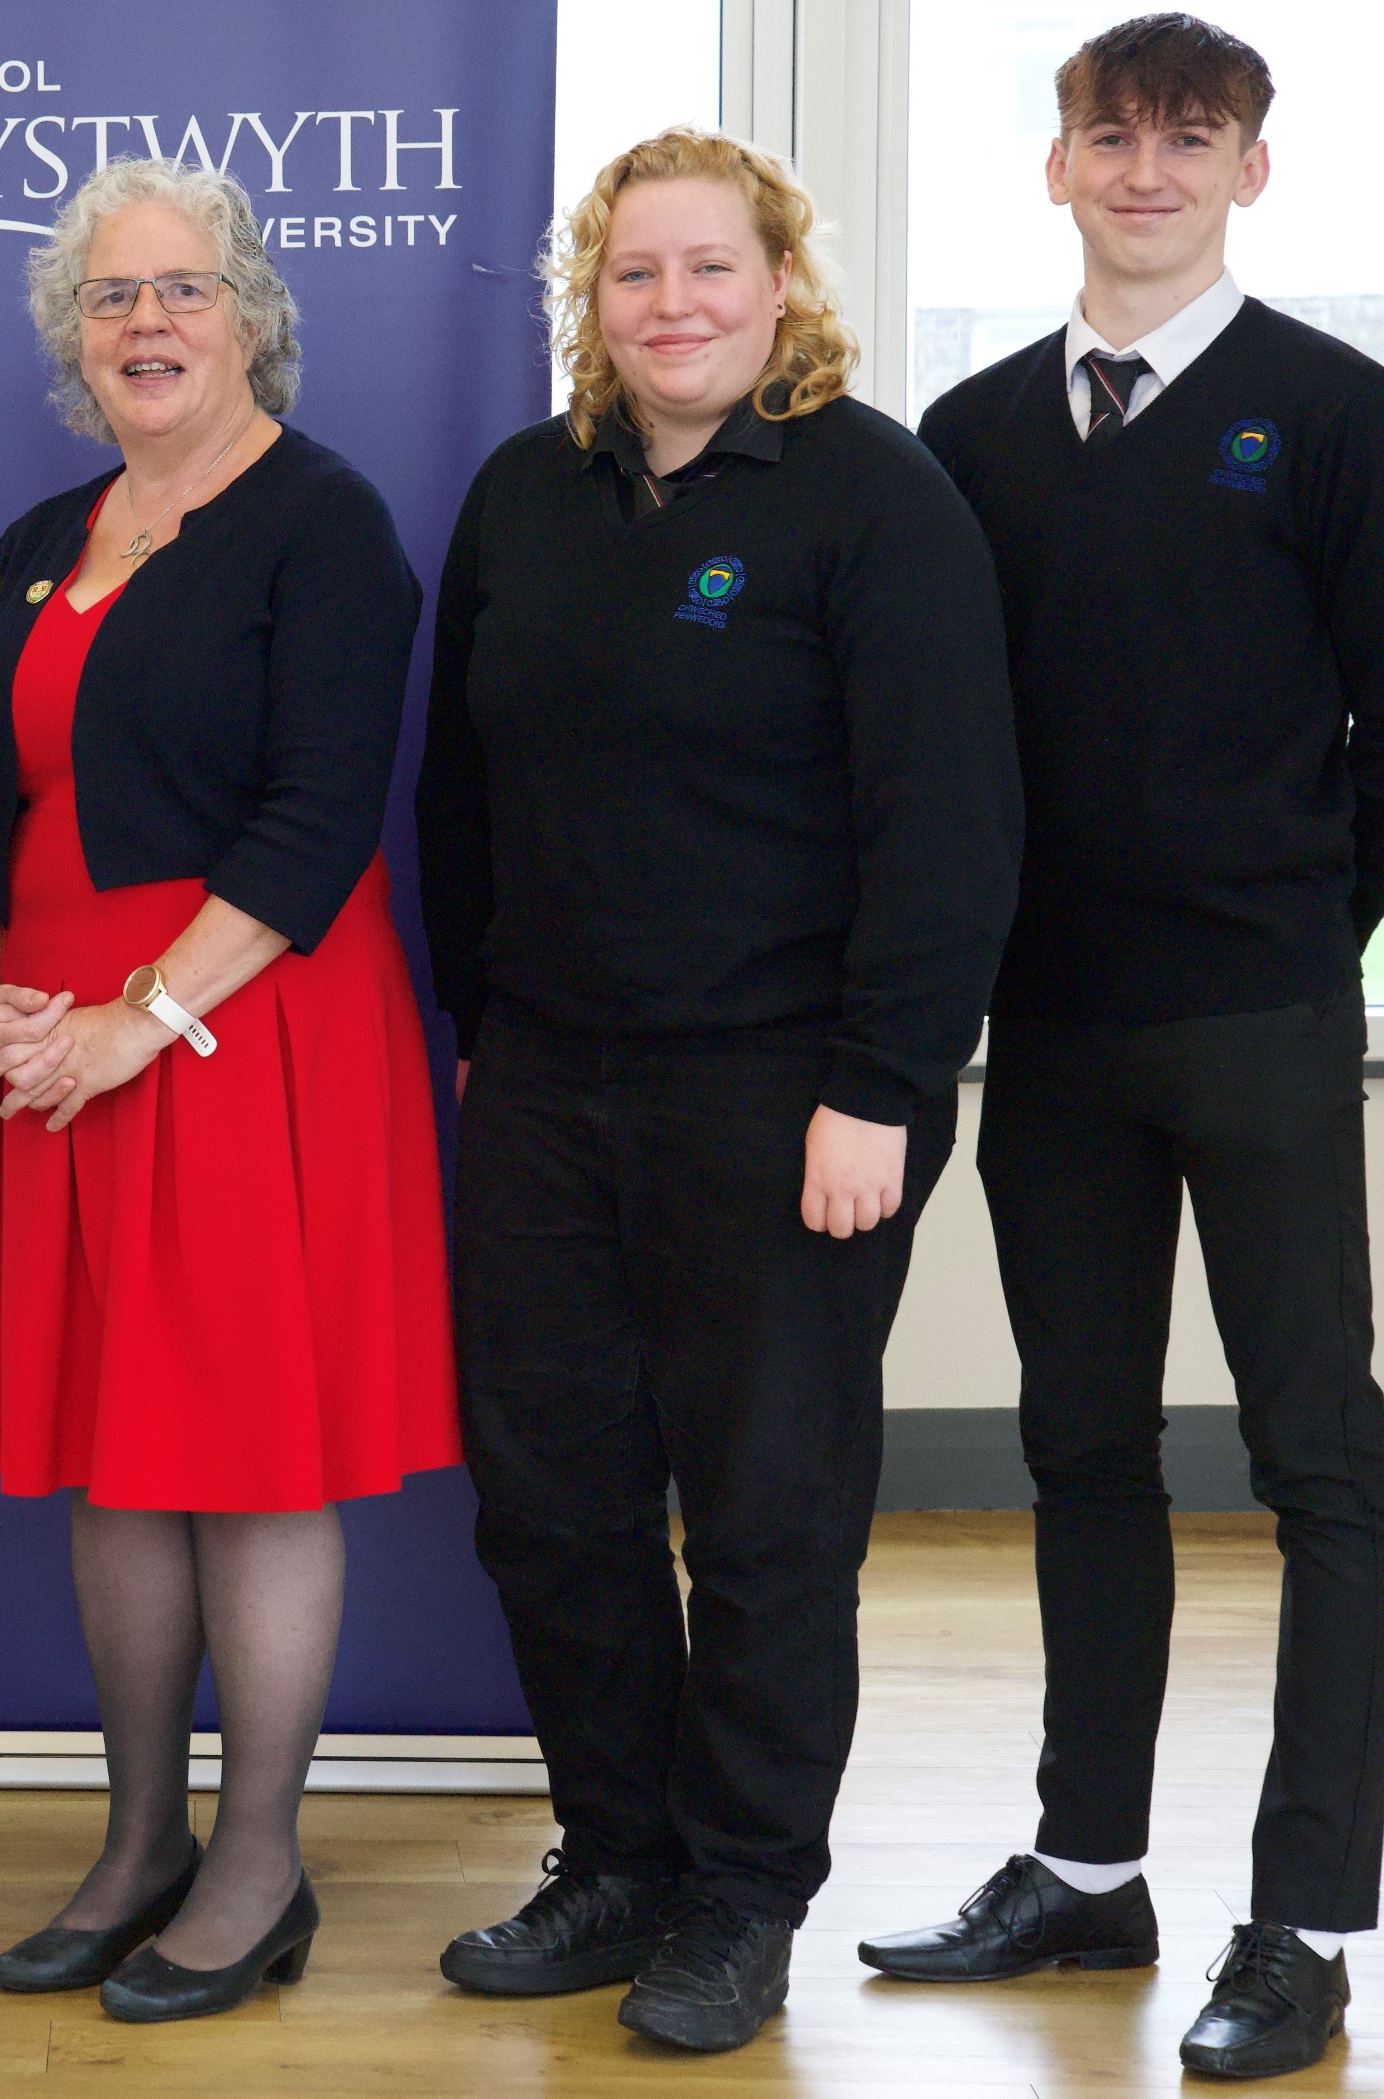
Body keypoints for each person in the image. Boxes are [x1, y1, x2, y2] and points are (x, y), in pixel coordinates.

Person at [860, 17, 1384, 2081]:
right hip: (1049, 1038)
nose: (1145, 167)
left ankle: (1300, 1921)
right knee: (1081, 1450)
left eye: (1188, 137)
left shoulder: (1334, 417)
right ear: (1054, 172)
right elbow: (933, 751)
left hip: (1260, 1022)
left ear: (1249, 174)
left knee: (1323, 1461)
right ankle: (1087, 1865)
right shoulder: (964, 434)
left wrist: (1308, 925)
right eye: (1108, 134)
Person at [416, 129, 1022, 2055]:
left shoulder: (873, 496)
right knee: (555, 1504)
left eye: (711, 268)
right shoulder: (525, 495)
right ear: (587, 300)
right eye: (633, 273)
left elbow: (952, 828)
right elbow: (459, 804)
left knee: (764, 1520)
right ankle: (618, 1860)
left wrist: (885, 1088)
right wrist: (474, 1039)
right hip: (540, 1085)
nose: (672, 305)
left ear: (781, 284)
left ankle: (746, 1895)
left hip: (787, 1100)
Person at [0, 157, 459, 2028]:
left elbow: (318, 828)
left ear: (252, 319)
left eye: (185, 291)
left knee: (245, 1449)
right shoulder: (41, 533)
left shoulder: (325, 523)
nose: (148, 322)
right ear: (78, 335)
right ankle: (141, 1840)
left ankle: (257, 1861)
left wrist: (138, 1022)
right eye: (114, 295)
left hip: (239, 1028)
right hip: (52, 1037)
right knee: (111, 1442)